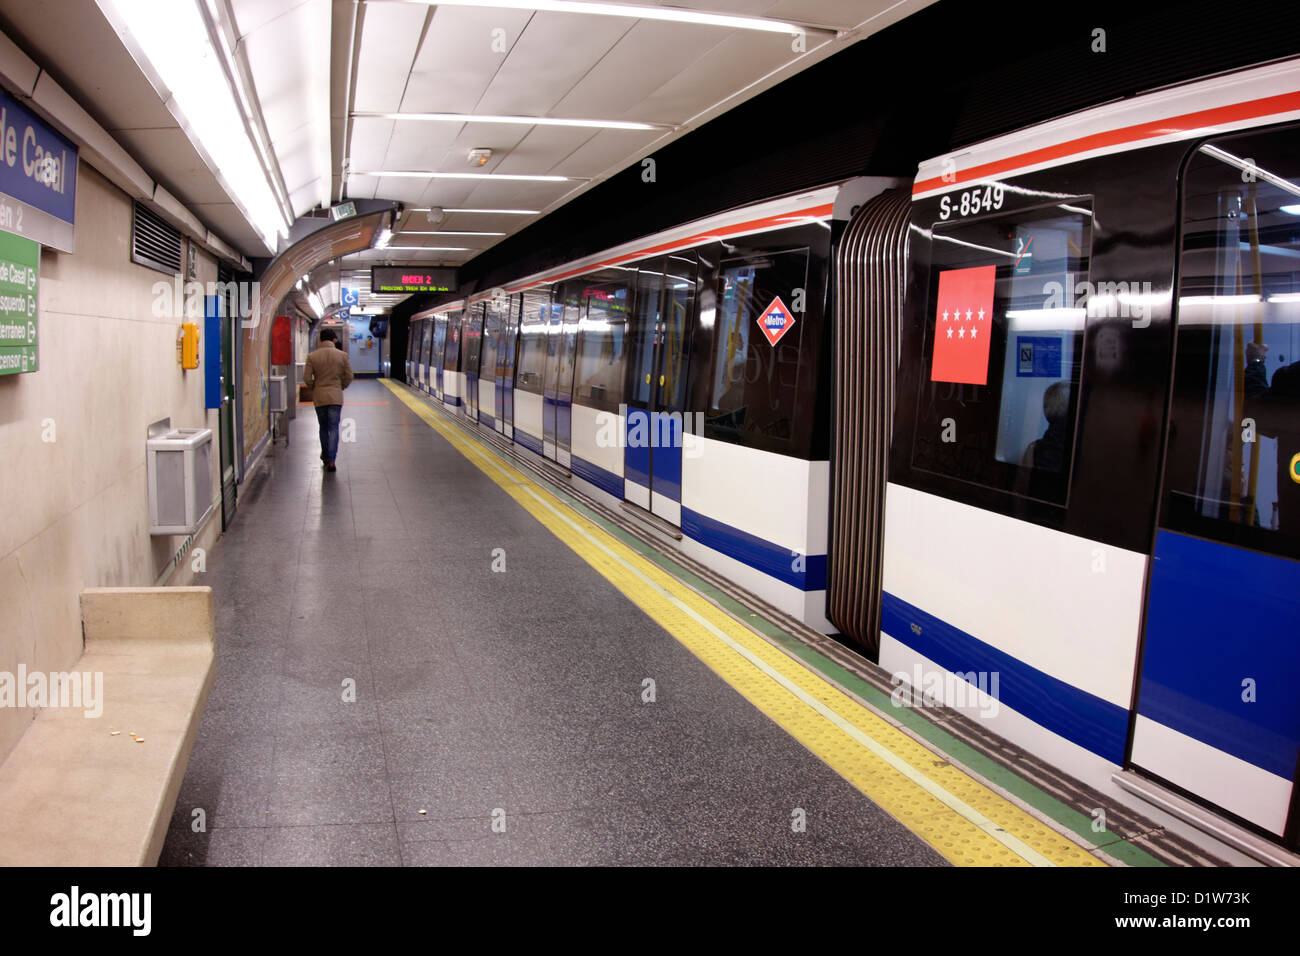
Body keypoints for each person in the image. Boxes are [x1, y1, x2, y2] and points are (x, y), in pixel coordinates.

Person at [302, 329, 353, 472]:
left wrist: (315, 387)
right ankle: (332, 459)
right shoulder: (342, 355)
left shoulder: (312, 356)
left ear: (321, 340)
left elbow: (307, 379)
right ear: (334, 340)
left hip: (320, 396)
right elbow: (349, 376)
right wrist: (341, 386)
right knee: (334, 428)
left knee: (323, 428)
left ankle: (325, 456)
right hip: (336, 396)